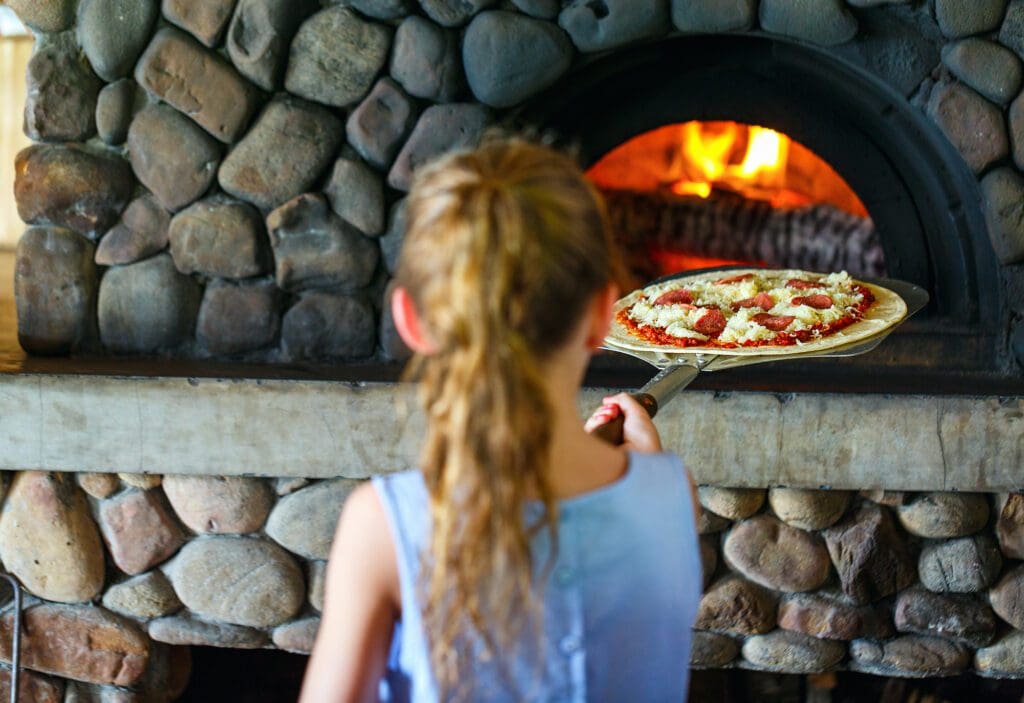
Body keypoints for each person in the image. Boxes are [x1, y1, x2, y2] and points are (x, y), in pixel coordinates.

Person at [300, 137, 702, 703]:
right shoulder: (671, 494)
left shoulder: (383, 527)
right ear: (601, 317)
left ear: (412, 321)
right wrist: (646, 466)